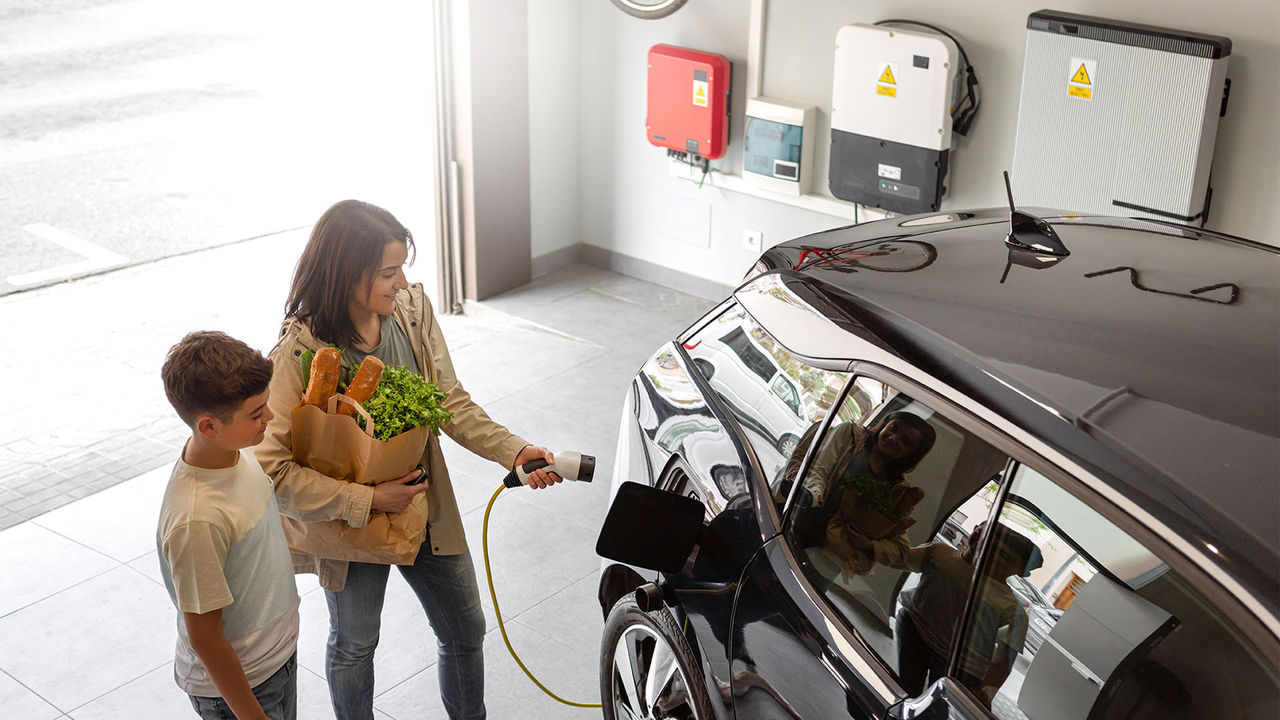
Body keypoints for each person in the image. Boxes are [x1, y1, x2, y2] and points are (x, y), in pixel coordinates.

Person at [254, 199, 562, 720]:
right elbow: (273, 471)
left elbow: (450, 403)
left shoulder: (412, 314)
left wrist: (513, 450)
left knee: (465, 630)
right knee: (355, 645)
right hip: (349, 524)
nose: (401, 284)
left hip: (424, 505)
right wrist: (369, 497)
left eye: (402, 269)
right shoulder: (297, 353)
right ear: (344, 273)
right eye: (387, 272)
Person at [157, 331, 300, 720]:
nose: (269, 417)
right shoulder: (196, 519)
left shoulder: (235, 453)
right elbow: (204, 637)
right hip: (240, 688)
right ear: (208, 427)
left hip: (275, 658)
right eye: (256, 413)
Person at [893, 521, 1035, 705]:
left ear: (1021, 572)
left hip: (959, 662)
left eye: (1004, 555)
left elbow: (1004, 661)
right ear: (975, 528)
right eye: (983, 534)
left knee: (937, 706)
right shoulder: (939, 552)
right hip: (915, 630)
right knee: (907, 692)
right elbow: (897, 558)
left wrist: (985, 692)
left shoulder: (1011, 610)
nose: (984, 543)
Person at [800, 411, 936, 574]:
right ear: (885, 423)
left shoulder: (898, 490)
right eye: (893, 428)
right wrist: (816, 495)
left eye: (905, 441)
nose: (893, 438)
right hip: (798, 526)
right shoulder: (849, 436)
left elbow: (901, 550)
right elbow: (818, 470)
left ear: (912, 454)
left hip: (828, 564)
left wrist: (869, 545)